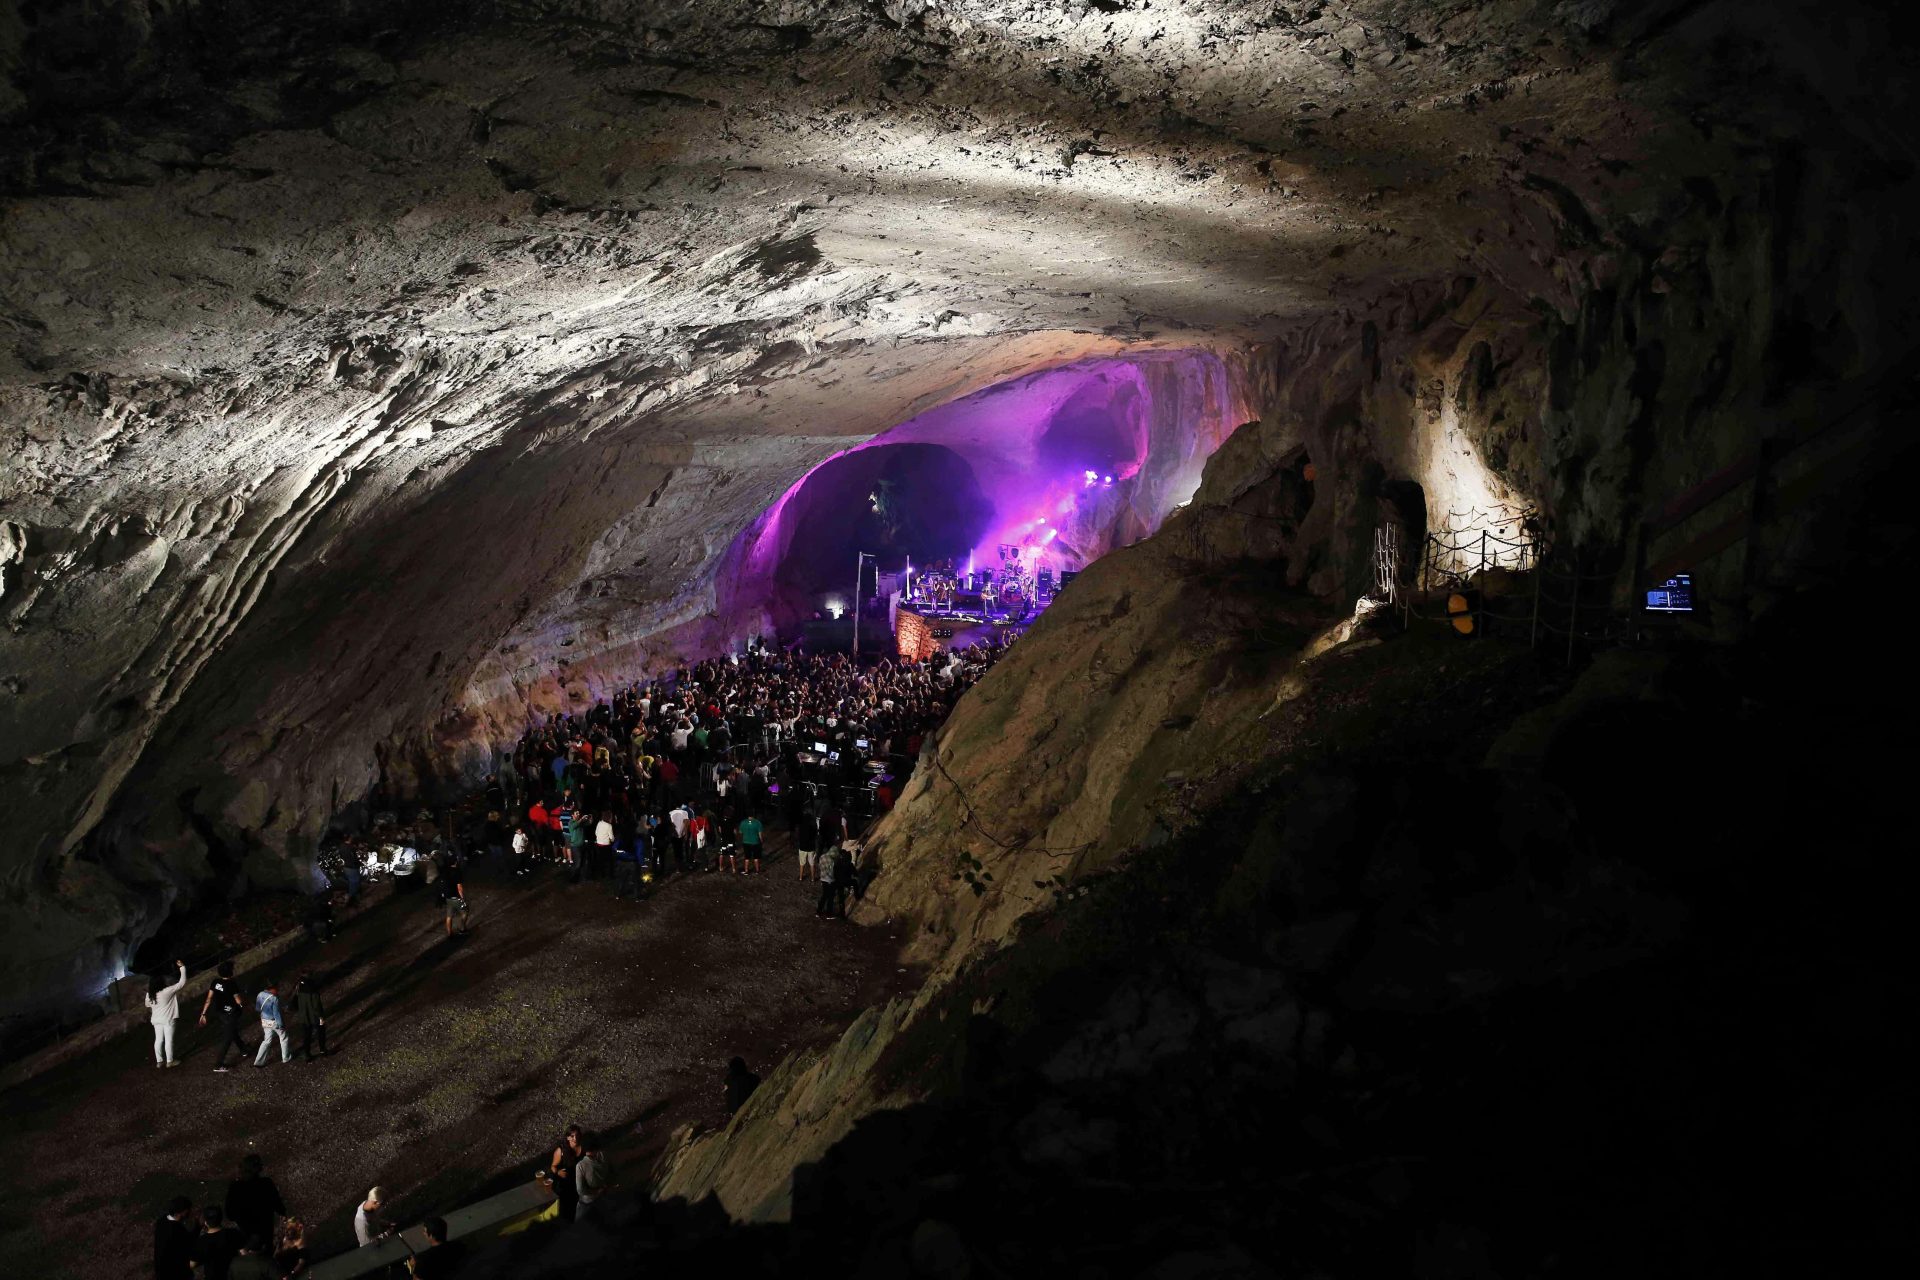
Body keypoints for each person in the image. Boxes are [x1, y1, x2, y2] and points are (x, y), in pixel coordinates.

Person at [224, 1154, 286, 1254]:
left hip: (246, 1233)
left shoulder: (235, 1187)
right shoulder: (266, 1183)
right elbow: (279, 1207)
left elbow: (230, 1214)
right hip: (265, 1232)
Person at [199, 961, 248, 1073]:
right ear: (230, 972)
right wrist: (242, 1004)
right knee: (228, 1038)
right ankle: (218, 1064)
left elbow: (209, 999)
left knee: (232, 1032)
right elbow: (238, 1000)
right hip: (231, 1013)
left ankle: (244, 1049)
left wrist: (203, 1013)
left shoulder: (215, 982)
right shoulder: (232, 983)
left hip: (221, 1013)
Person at [145, 959, 187, 1068]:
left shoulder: (149, 995)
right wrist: (182, 967)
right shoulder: (167, 991)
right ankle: (170, 1061)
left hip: (156, 1020)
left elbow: (147, 1005)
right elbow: (181, 983)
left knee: (158, 1040)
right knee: (169, 1040)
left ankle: (159, 1061)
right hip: (168, 1019)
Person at [546, 1124, 586, 1222]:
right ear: (567, 1137)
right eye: (572, 1136)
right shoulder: (561, 1151)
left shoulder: (584, 1146)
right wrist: (558, 1172)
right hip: (568, 1182)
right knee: (568, 1208)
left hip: (581, 1179)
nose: (575, 1138)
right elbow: (553, 1166)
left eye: (576, 1135)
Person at [193, 1205, 241, 1280]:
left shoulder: (202, 1241)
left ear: (205, 1222)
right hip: (232, 1276)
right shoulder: (233, 1233)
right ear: (221, 1218)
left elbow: (192, 1264)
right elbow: (244, 1251)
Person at [574, 1132, 613, 1223]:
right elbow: (613, 1172)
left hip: (588, 1202)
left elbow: (580, 1190)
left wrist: (595, 1192)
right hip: (604, 1197)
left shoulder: (581, 1166)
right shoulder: (604, 1156)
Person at [154, 1195, 195, 1280]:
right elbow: (190, 1244)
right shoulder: (177, 1230)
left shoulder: (162, 1222)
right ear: (180, 1212)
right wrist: (198, 1227)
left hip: (162, 1272)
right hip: (175, 1274)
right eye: (188, 1210)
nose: (190, 1212)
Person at [252, 984, 290, 1067]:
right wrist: (281, 1025)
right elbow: (277, 1014)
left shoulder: (260, 994)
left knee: (266, 1041)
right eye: (277, 989)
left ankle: (258, 1062)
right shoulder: (274, 998)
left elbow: (258, 1009)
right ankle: (285, 1058)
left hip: (265, 1021)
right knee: (283, 1038)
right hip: (274, 1022)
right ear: (272, 989)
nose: (277, 991)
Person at [293, 975, 328, 1061]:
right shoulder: (313, 990)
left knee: (306, 1035)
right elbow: (317, 1005)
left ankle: (307, 1054)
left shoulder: (298, 989)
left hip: (304, 1016)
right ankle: (322, 1050)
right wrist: (321, 1016)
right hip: (315, 1016)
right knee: (321, 1032)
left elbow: (295, 1002)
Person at [435, 848, 468, 938]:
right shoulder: (457, 872)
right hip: (456, 897)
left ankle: (450, 933)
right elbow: (459, 888)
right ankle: (462, 929)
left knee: (449, 916)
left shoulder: (445, 871)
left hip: (447, 897)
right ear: (455, 862)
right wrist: (463, 899)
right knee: (464, 912)